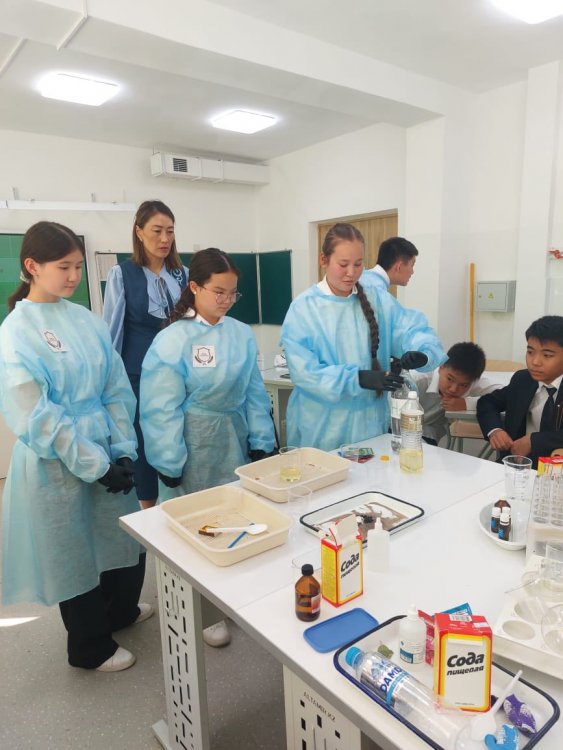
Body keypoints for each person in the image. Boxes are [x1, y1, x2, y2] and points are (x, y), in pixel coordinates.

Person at [0, 221, 151, 673]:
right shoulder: (16, 330)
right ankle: (89, 648)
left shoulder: (85, 318)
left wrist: (121, 449)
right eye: (63, 267)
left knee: (119, 539)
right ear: (32, 266)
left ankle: (121, 613)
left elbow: (115, 387)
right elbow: (35, 413)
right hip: (57, 461)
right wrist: (94, 464)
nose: (73, 276)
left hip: (105, 444)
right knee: (74, 552)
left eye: (78, 267)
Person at [140, 247, 275, 646]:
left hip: (232, 438)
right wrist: (168, 460)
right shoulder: (173, 339)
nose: (227, 300)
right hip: (191, 443)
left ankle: (229, 597)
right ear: (195, 287)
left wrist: (262, 440)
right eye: (219, 292)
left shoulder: (239, 333)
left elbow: (254, 390)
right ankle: (199, 611)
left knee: (233, 518)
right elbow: (160, 406)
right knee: (193, 527)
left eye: (233, 293)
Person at [280, 223, 445, 451]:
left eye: (358, 264)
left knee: (372, 472)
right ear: (323, 259)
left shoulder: (378, 300)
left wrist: (422, 353)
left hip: (370, 428)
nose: (351, 273)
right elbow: (304, 374)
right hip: (322, 429)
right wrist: (358, 378)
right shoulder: (304, 309)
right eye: (343, 264)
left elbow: (412, 329)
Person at [103, 200, 189, 509]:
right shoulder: (122, 274)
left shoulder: (183, 275)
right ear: (139, 232)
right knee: (143, 443)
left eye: (170, 231)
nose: (165, 239)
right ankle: (148, 515)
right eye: (157, 231)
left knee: (177, 436)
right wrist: (109, 383)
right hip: (137, 377)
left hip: (179, 375)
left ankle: (181, 506)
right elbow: (112, 332)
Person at [477, 315, 563, 468]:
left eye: (547, 355)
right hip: (515, 467)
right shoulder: (523, 380)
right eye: (530, 352)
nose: (535, 362)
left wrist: (534, 441)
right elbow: (487, 402)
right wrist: (495, 430)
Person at [410, 342, 504, 445]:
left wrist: (466, 404)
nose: (453, 389)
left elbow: (507, 395)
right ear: (441, 367)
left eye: (463, 385)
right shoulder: (416, 379)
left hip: (429, 435)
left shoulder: (473, 382)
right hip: (400, 429)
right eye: (450, 379)